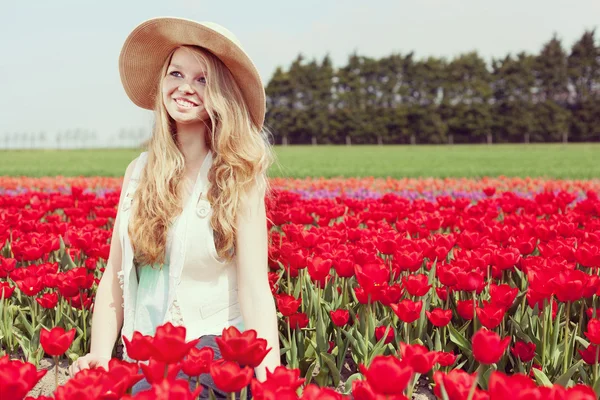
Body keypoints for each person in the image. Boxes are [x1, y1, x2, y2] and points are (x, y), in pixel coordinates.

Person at [68, 17, 281, 397]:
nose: (185, 87)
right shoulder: (138, 172)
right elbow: (115, 276)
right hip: (145, 353)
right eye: (176, 73)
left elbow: (254, 288)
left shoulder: (238, 176)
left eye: (202, 79)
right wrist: (99, 354)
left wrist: (271, 383)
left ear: (222, 93)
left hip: (212, 349)